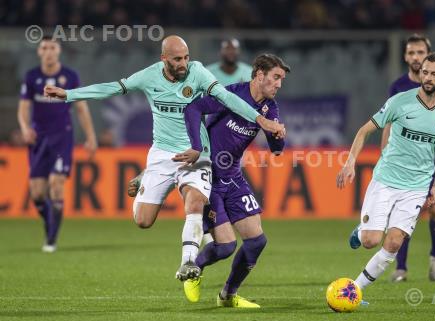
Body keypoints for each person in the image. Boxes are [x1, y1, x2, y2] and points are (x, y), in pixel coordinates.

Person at [44, 35, 284, 281]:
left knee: (195, 200)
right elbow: (112, 88)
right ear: (164, 59)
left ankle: (188, 262)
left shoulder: (197, 72)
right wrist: (69, 95)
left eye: (186, 58)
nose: (184, 64)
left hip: (196, 151)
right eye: (177, 59)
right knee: (143, 221)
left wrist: (260, 119)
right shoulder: (149, 76)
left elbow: (226, 97)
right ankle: (149, 175)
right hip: (162, 154)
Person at [337, 53, 435, 298]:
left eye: (434, 74)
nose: (427, 77)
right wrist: (350, 161)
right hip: (386, 179)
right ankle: (361, 231)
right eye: (425, 72)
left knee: (393, 243)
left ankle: (355, 290)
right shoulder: (399, 102)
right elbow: (364, 130)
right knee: (371, 240)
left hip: (416, 187)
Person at [173, 54, 289, 308]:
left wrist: (279, 134)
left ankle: (227, 295)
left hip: (233, 175)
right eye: (275, 77)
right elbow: (194, 108)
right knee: (225, 246)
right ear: (259, 75)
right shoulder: (231, 95)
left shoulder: (270, 107)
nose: (279, 84)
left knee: (257, 241)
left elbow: (277, 150)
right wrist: (196, 145)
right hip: (209, 176)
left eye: (281, 79)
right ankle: (193, 269)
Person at [382, 34, 435, 282]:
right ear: (405, 56)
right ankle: (401, 268)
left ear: (428, 54)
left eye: (420, 52)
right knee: (404, 211)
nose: (415, 57)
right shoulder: (398, 87)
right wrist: (384, 151)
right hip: (406, 160)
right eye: (410, 53)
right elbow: (388, 121)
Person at [18, 36, 97, 253]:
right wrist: (25, 128)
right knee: (37, 193)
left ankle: (51, 238)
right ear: (39, 52)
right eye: (44, 47)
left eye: (52, 47)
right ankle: (49, 222)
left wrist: (90, 137)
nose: (49, 51)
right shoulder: (32, 77)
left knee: (56, 183)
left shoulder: (70, 77)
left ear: (59, 51)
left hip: (62, 138)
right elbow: (24, 107)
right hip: (38, 139)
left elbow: (81, 107)